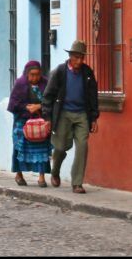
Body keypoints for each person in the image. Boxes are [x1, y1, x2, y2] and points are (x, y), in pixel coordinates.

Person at [42, 40, 99, 194]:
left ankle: (77, 183)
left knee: (82, 147)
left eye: (81, 58)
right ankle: (55, 171)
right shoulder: (59, 72)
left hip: (82, 114)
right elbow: (48, 96)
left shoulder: (87, 73)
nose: (79, 61)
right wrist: (47, 118)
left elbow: (93, 96)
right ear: (70, 56)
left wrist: (94, 117)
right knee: (60, 147)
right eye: (76, 58)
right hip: (63, 114)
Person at [7, 60, 52, 187]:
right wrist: (27, 108)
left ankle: (41, 177)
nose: (35, 77)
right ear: (27, 74)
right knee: (20, 148)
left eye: (37, 74)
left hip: (40, 123)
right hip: (22, 122)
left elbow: (51, 102)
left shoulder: (45, 84)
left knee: (41, 148)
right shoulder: (20, 84)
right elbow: (13, 104)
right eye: (32, 75)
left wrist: (39, 106)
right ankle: (19, 174)